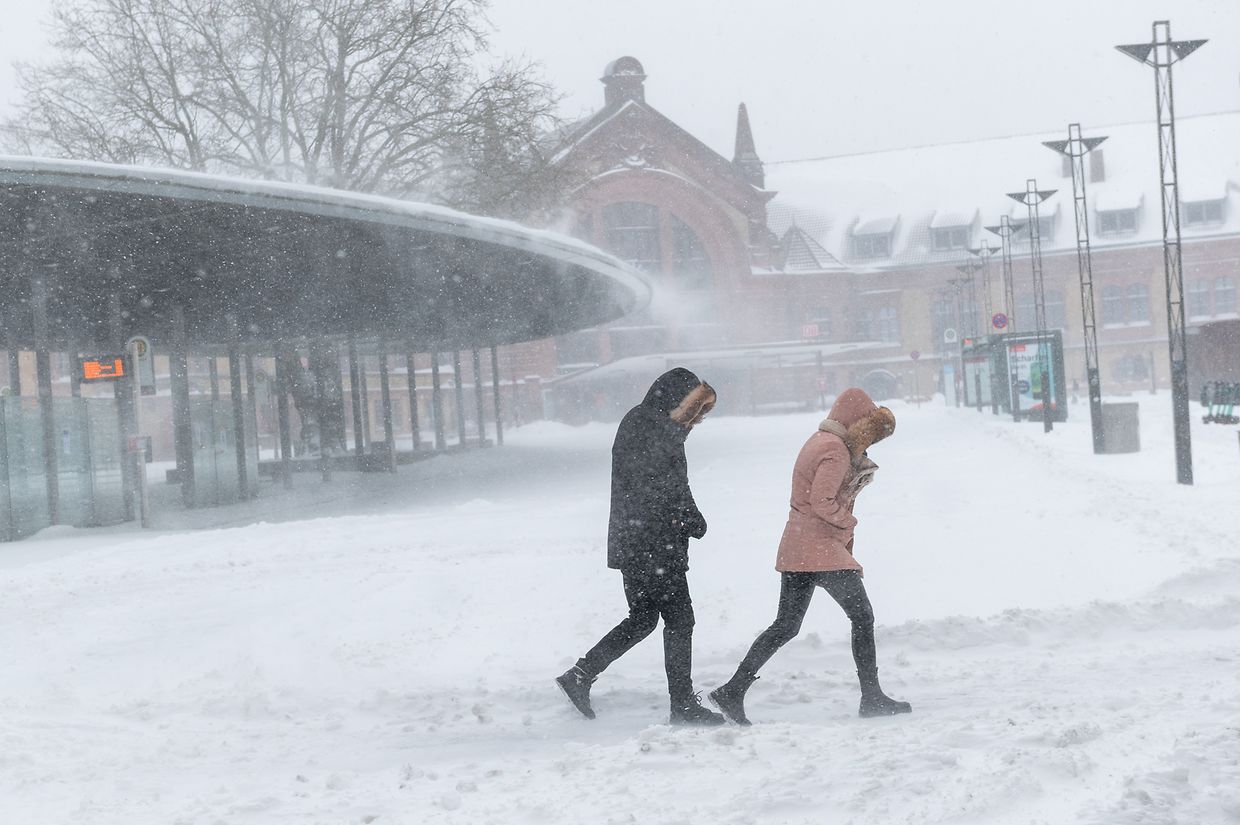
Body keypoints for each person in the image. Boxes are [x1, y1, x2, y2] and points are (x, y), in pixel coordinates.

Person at [709, 388, 911, 725]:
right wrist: (850, 520)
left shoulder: (819, 440)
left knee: (785, 626)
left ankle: (733, 690)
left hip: (797, 547)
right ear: (857, 423)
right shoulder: (835, 451)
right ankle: (872, 697)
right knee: (862, 617)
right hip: (820, 550)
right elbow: (823, 502)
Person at [556, 368, 724, 726]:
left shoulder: (642, 421)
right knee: (680, 620)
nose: (690, 419)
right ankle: (682, 704)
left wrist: (688, 515)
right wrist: (690, 517)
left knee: (645, 617)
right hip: (653, 544)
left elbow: (663, 482)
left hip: (638, 542)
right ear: (675, 398)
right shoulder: (653, 427)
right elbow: (663, 485)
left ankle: (580, 675)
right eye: (689, 407)